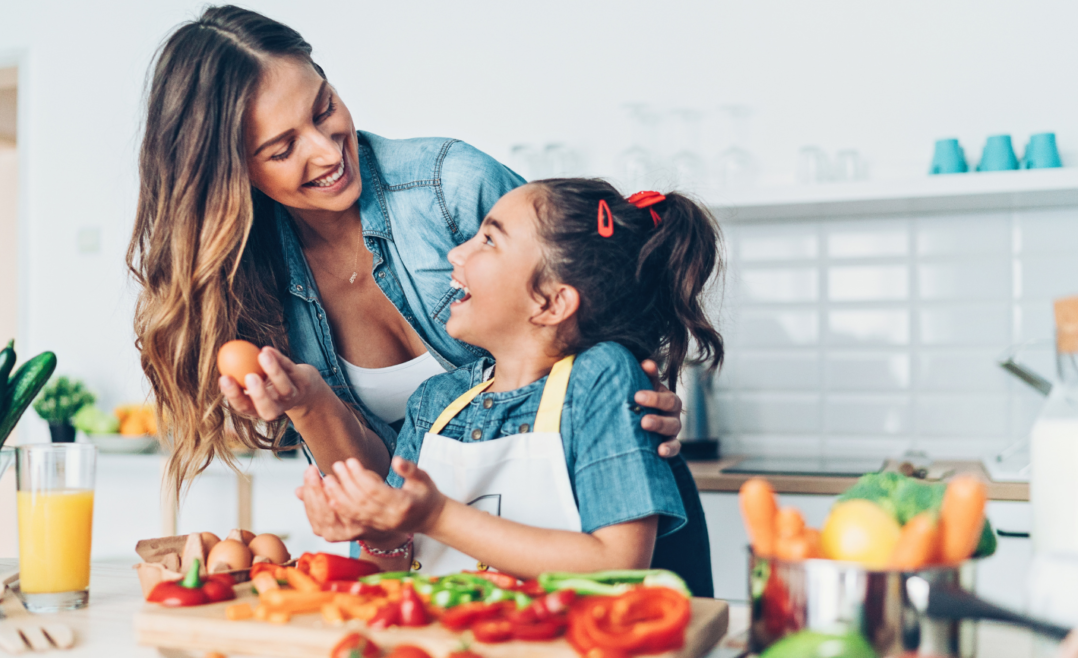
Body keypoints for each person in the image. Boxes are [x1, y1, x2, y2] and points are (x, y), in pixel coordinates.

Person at [126, 3, 687, 498]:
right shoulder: (248, 285)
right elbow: (381, 494)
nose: (327, 153)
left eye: (323, 109)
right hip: (446, 556)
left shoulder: (453, 186)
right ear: (231, 174)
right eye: (282, 148)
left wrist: (641, 386)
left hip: (599, 503)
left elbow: (601, 295)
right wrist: (309, 404)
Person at [298, 180, 722, 595]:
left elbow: (618, 565)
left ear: (551, 303)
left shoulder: (599, 377)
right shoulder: (434, 402)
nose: (455, 253)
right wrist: (379, 533)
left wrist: (437, 516)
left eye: (489, 240)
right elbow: (389, 575)